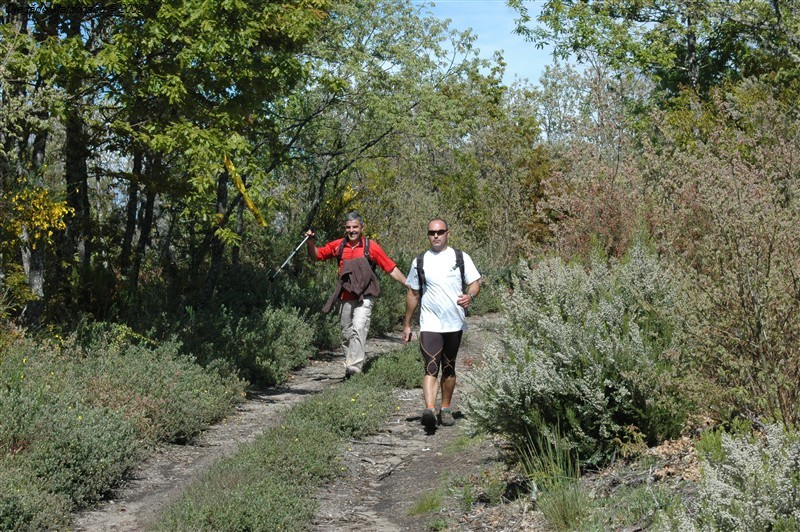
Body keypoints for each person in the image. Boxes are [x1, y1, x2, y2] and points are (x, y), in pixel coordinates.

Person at [306, 212, 407, 378]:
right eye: (348, 227)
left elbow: (390, 268)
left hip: (365, 296)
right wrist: (310, 243)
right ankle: (350, 363)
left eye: (355, 227)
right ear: (345, 228)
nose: (352, 230)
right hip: (345, 295)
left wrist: (408, 284)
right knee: (346, 332)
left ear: (361, 228)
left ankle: (354, 369)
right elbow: (317, 255)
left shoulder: (371, 247)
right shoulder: (338, 245)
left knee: (359, 327)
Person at [403, 218, 481, 429]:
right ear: (428, 235)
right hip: (429, 323)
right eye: (431, 233)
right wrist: (407, 324)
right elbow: (412, 293)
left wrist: (470, 297)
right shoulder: (419, 261)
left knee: (448, 368)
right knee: (430, 366)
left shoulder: (460, 257)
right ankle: (429, 410)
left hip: (454, 323)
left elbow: (474, 283)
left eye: (440, 232)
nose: (435, 236)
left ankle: (445, 408)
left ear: (448, 233)